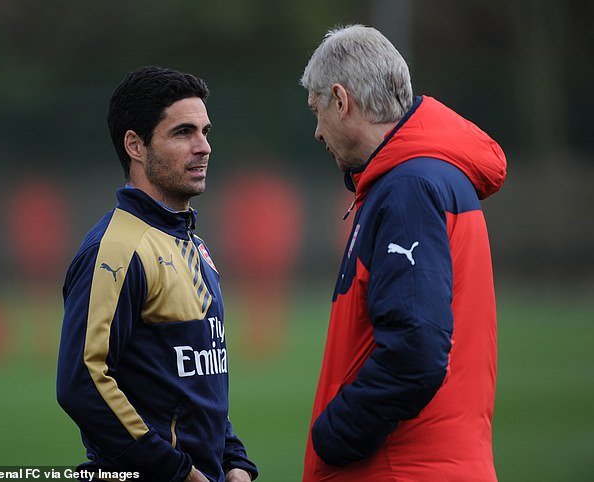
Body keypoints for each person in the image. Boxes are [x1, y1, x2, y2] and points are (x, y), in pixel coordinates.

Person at [300, 25, 507, 481]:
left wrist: (333, 435)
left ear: (341, 99)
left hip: (405, 469)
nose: (317, 132)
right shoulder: (422, 178)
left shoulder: (409, 187)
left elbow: (416, 349)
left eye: (317, 112)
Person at [57, 66, 258, 482]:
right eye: (183, 132)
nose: (203, 147)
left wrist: (233, 460)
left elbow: (197, 379)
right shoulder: (115, 249)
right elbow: (83, 383)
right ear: (135, 145)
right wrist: (177, 471)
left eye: (205, 131)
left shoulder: (191, 244)